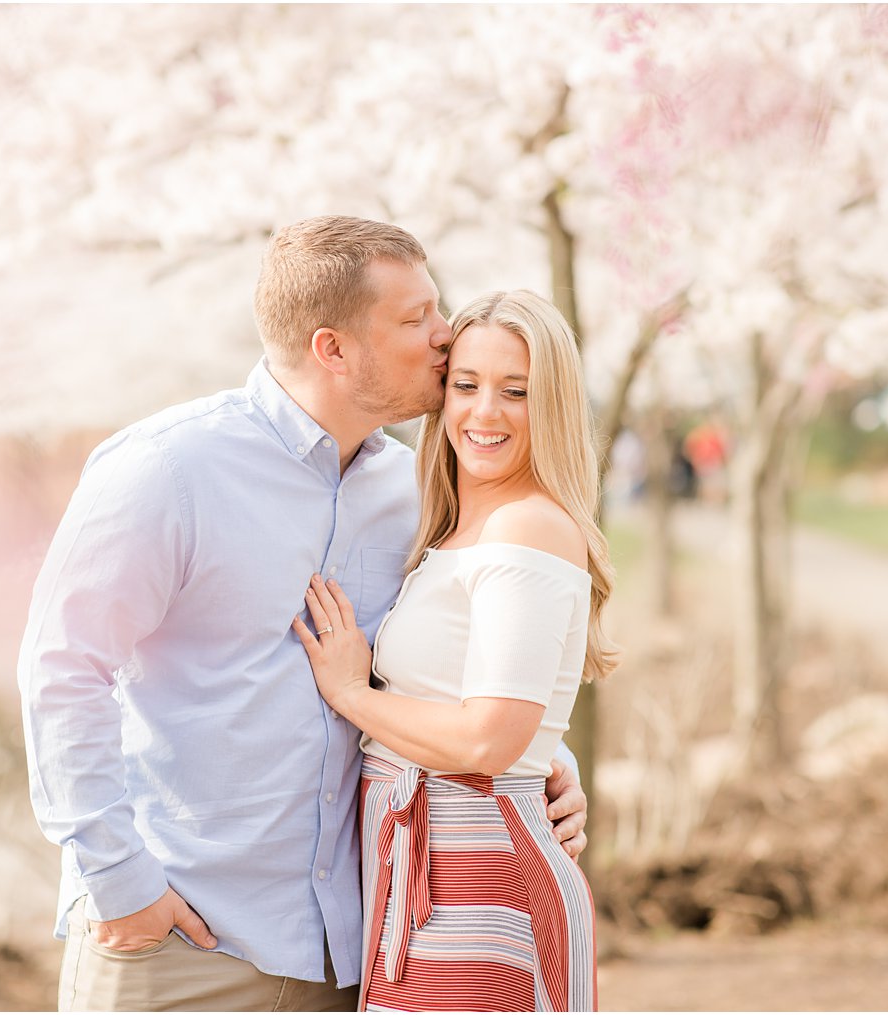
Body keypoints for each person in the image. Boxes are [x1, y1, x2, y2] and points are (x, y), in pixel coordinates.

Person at [17, 217, 589, 1012]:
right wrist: (119, 883)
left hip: (357, 955)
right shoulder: (166, 469)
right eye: (415, 317)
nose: (443, 335)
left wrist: (543, 767)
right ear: (334, 348)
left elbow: (468, 662)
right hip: (185, 948)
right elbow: (60, 671)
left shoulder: (415, 492)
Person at [294, 289, 617, 1012]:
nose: (484, 412)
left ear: (554, 404)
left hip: (475, 876)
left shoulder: (526, 529)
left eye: (516, 392)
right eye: (466, 385)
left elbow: (488, 737)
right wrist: (554, 760)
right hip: (429, 873)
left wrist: (352, 695)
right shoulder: (465, 528)